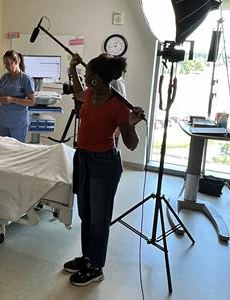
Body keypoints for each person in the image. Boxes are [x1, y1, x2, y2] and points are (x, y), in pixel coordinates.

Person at [63, 53, 144, 286]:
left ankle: (96, 267)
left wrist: (130, 123)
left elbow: (131, 144)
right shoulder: (89, 94)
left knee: (99, 219)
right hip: (84, 159)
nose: (85, 76)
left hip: (103, 164)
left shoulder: (117, 104)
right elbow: (77, 91)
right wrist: (73, 67)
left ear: (97, 78)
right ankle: (87, 257)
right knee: (85, 215)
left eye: (88, 73)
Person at [0, 50, 35, 142]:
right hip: (4, 120)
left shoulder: (26, 80)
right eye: (5, 64)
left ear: (17, 62)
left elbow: (32, 102)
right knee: (3, 149)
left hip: (18, 122)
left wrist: (12, 100)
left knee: (17, 150)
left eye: (9, 64)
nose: (7, 67)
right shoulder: (5, 78)